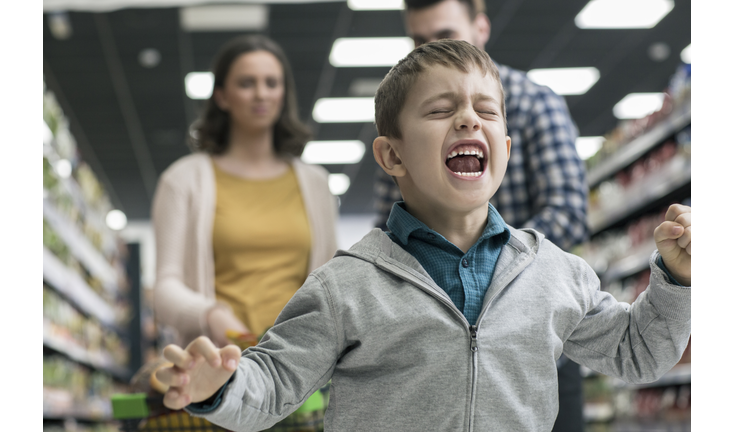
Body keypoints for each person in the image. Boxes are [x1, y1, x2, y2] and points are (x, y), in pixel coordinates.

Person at [153, 40, 691, 432]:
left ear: (505, 145)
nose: (468, 121)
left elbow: (638, 351)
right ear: (392, 155)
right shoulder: (347, 286)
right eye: (440, 110)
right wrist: (219, 388)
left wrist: (677, 279)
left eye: (486, 110)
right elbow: (271, 384)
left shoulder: (554, 272)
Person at [372, 1, 590, 428]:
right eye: (420, 40)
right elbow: (389, 223)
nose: (432, 48)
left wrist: (490, 261)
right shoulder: (405, 120)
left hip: (536, 343)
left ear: (482, 28)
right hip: (435, 350)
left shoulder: (532, 102)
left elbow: (568, 209)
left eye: (446, 34)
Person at [151, 34, 338, 348]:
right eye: (246, 83)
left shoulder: (316, 183)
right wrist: (210, 315)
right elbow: (164, 289)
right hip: (218, 365)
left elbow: (333, 280)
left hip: (302, 370)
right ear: (222, 97)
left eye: (271, 83)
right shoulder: (183, 181)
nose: (261, 94)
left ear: (283, 93)